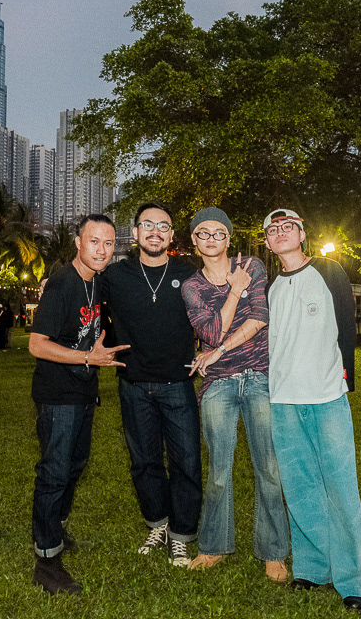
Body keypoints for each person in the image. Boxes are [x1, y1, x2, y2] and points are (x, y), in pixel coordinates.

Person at [263, 208, 361, 612]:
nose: (280, 233)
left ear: (302, 234)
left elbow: (347, 327)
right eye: (273, 230)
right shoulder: (270, 286)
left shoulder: (329, 272)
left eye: (288, 227)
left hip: (327, 396)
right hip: (284, 399)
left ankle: (355, 579)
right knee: (300, 488)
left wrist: (345, 379)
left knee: (341, 487)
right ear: (267, 242)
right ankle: (313, 568)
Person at [180, 207, 290, 582]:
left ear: (229, 238)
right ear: (194, 241)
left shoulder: (252, 265)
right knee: (219, 471)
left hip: (259, 376)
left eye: (219, 233)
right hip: (218, 384)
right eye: (203, 233)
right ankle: (213, 546)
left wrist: (220, 350)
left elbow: (260, 317)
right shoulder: (192, 287)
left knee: (269, 468)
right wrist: (235, 290)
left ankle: (273, 551)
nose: (211, 239)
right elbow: (209, 333)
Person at [27, 214, 127, 595]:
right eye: (94, 241)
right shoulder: (63, 284)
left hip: (84, 390)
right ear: (78, 242)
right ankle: (46, 561)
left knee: (75, 465)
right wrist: (88, 358)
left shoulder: (97, 281)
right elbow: (37, 344)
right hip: (57, 395)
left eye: (108, 243)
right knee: (54, 472)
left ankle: (56, 529)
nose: (101, 250)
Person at [101, 201, 202, 567]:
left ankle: (181, 535)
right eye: (147, 225)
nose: (155, 231)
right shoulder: (116, 274)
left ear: (171, 235)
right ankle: (158, 524)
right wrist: (52, 283)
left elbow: (218, 306)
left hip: (178, 382)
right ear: (135, 232)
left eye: (163, 226)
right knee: (144, 462)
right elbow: (82, 286)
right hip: (134, 384)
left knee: (186, 461)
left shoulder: (190, 273)